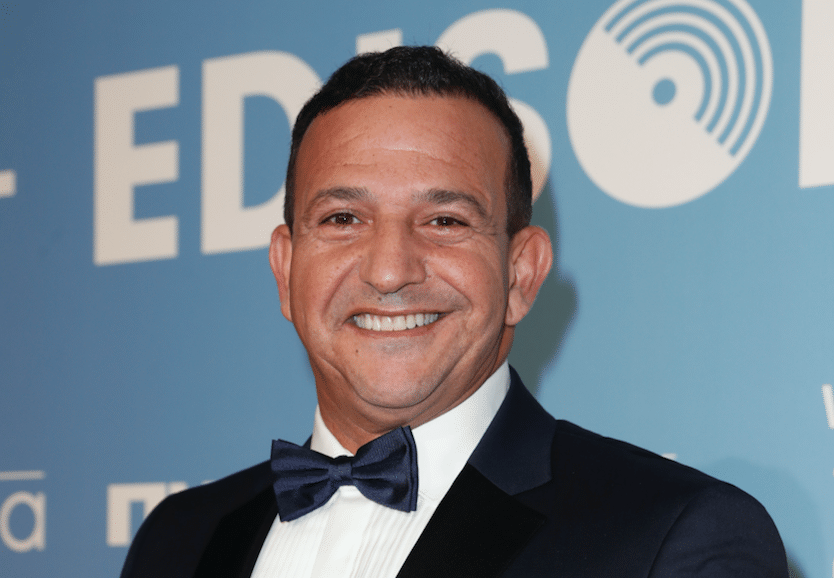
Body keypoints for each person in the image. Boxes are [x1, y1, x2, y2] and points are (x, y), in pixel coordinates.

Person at [120, 46, 788, 578]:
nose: (389, 270)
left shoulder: (673, 538)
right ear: (286, 270)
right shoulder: (177, 540)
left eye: (444, 220)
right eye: (344, 218)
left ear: (521, 274)